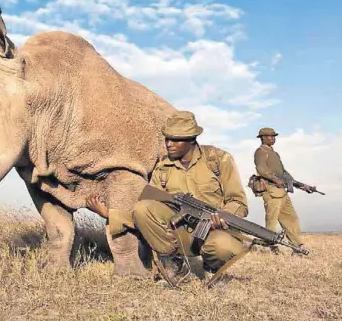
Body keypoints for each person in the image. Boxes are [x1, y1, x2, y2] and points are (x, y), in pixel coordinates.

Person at [85, 111, 249, 287]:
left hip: (216, 231)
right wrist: (109, 214)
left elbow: (239, 202)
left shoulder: (218, 160)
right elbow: (144, 214)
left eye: (175, 139)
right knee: (143, 207)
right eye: (167, 139)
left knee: (221, 247)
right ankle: (175, 267)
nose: (169, 144)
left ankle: (214, 267)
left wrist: (223, 216)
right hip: (182, 235)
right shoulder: (163, 168)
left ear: (192, 139)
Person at [253, 127, 312, 255]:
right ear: (262, 137)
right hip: (271, 190)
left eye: (274, 136)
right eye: (270, 136)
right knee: (272, 221)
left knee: (291, 219)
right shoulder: (261, 151)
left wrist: (301, 185)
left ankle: (297, 247)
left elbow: (284, 173)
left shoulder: (274, 153)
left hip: (282, 192)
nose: (273, 138)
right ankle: (271, 248)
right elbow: (261, 169)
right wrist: (275, 179)